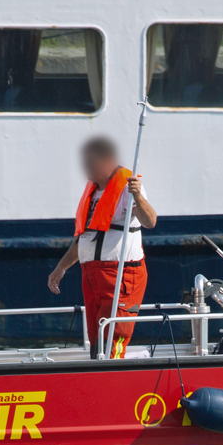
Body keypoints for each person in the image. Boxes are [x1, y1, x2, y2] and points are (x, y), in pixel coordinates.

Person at [46, 136, 157, 358]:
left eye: (89, 162)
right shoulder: (94, 192)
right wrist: (61, 267)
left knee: (114, 336)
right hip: (92, 276)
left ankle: (114, 376)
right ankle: (100, 372)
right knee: (97, 338)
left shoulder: (128, 188)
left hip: (121, 274)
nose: (85, 167)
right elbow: (85, 238)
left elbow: (150, 221)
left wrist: (138, 196)